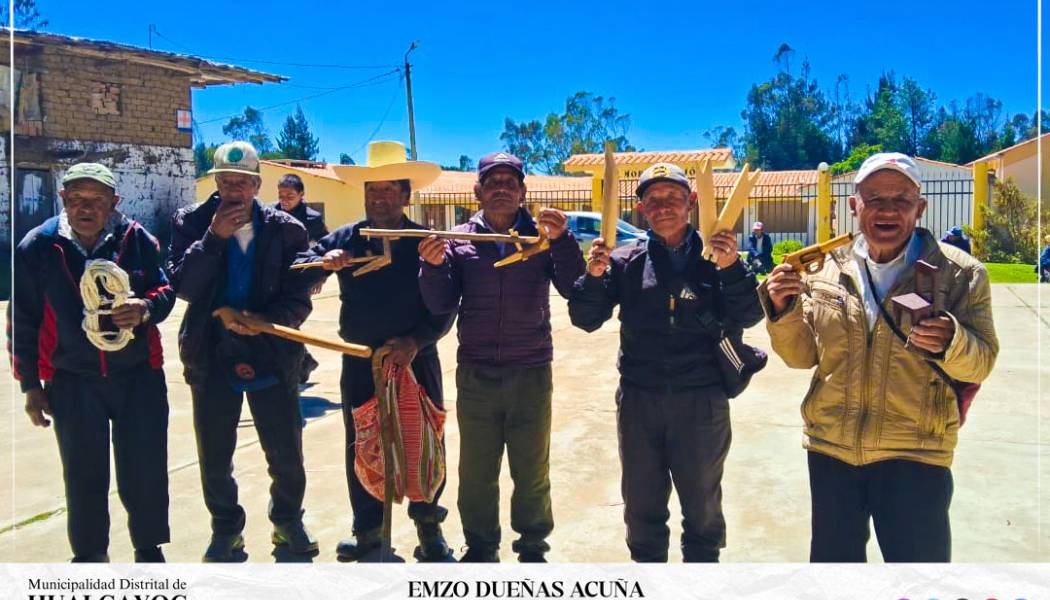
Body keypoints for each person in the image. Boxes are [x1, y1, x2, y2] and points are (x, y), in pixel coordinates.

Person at [761, 152, 999, 562]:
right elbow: (802, 358)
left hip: (915, 451)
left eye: (901, 200)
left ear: (920, 208)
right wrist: (783, 313)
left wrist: (952, 342)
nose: (888, 210)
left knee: (917, 578)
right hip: (832, 448)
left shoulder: (961, 273)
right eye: (875, 199)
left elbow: (981, 362)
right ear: (855, 206)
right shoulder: (826, 270)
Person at [568, 162, 762, 562]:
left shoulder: (718, 254)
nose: (662, 206)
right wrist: (593, 275)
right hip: (640, 400)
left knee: (703, 506)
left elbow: (749, 315)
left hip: (701, 400)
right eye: (652, 200)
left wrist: (731, 268)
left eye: (672, 197)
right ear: (641, 209)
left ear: (690, 202)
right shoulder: (625, 261)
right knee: (642, 506)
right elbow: (586, 319)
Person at [418, 151, 586, 562]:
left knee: (531, 469)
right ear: (477, 191)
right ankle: (481, 546)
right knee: (476, 471)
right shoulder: (460, 240)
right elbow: (439, 305)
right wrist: (432, 266)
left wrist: (562, 243)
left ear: (522, 191)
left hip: (530, 370)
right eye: (492, 182)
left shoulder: (542, 237)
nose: (501, 189)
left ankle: (532, 545)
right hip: (476, 373)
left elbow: (574, 287)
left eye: (510, 182)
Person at [294, 141, 455, 562]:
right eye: (372, 191)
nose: (379, 198)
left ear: (405, 195)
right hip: (362, 362)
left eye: (388, 191)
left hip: (417, 361)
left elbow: (446, 306)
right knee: (362, 443)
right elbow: (302, 265)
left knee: (424, 443)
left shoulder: (426, 242)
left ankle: (429, 527)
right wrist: (323, 261)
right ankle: (368, 531)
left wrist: (414, 342)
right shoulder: (347, 238)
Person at [10, 163, 174, 562]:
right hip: (73, 379)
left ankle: (148, 552)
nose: (87, 208)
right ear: (63, 199)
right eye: (78, 199)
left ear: (114, 203)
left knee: (145, 468)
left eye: (97, 200)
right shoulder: (38, 247)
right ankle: (89, 557)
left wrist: (145, 306)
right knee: (83, 475)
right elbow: (22, 321)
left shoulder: (137, 240)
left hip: (138, 377)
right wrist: (30, 384)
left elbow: (166, 288)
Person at [166, 141, 317, 562]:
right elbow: (185, 288)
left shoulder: (286, 228)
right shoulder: (192, 222)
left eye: (242, 181)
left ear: (256, 183)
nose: (233, 189)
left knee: (285, 450)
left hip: (271, 348)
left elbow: (300, 294)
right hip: (210, 350)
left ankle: (288, 522)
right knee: (215, 451)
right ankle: (226, 529)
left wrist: (264, 321)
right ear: (215, 182)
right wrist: (214, 239)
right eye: (225, 180)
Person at [273, 173, 330, 384]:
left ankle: (300, 362)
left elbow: (325, 247)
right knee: (283, 322)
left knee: (290, 320)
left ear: (301, 195)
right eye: (281, 195)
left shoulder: (312, 218)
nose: (284, 199)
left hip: (302, 274)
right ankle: (303, 360)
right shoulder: (271, 212)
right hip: (276, 275)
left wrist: (320, 277)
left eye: (290, 195)